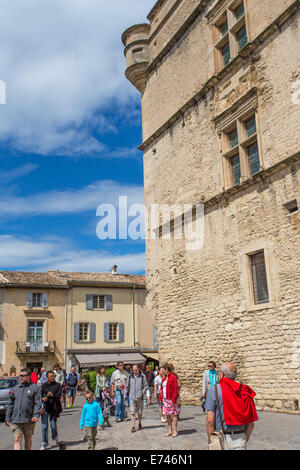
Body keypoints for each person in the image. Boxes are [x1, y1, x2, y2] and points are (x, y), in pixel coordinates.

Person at [206, 362, 258, 450]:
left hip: (221, 439)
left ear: (222, 374)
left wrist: (211, 440)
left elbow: (210, 420)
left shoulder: (214, 390)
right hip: (240, 439)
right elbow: (251, 424)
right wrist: (244, 440)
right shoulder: (244, 391)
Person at [5, 368, 42, 450]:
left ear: (28, 377)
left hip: (29, 419)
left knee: (28, 439)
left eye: (23, 376)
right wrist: (8, 417)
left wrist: (36, 415)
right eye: (20, 376)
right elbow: (10, 404)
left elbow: (38, 403)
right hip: (16, 419)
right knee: (17, 439)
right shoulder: (15, 388)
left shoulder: (35, 388)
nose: (21, 377)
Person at [40, 370, 62, 450]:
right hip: (45, 407)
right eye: (50, 376)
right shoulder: (44, 385)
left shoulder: (58, 385)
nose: (52, 377)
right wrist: (43, 398)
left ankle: (55, 436)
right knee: (44, 426)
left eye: (53, 376)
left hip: (54, 407)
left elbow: (59, 395)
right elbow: (40, 395)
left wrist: (53, 395)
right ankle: (44, 443)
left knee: (53, 425)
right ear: (47, 377)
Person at [125, 364, 148, 433]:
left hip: (139, 397)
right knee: (132, 412)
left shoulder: (142, 376)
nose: (134, 371)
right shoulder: (130, 376)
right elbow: (126, 386)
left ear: (139, 369)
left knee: (140, 412)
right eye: (133, 370)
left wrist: (142, 392)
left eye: (136, 370)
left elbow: (146, 386)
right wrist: (125, 394)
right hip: (132, 397)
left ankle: (140, 423)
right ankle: (133, 426)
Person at [159, 364, 180, 438]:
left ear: (167, 370)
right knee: (167, 414)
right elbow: (161, 388)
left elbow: (176, 389)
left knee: (174, 414)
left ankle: (175, 430)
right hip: (165, 399)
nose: (163, 371)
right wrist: (160, 397)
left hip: (171, 399)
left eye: (164, 370)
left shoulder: (173, 377)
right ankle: (169, 430)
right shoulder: (164, 378)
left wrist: (173, 400)